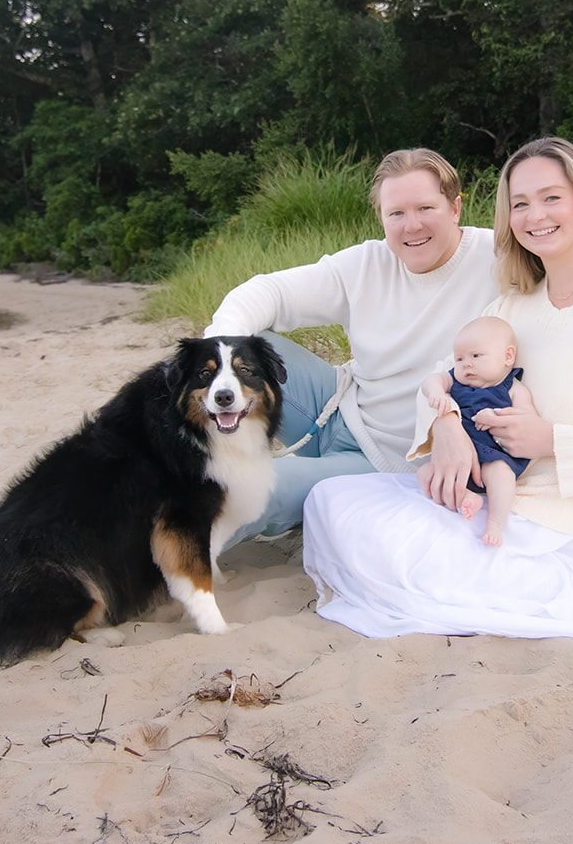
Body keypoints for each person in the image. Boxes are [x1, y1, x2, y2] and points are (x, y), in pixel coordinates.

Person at [303, 138, 573, 666]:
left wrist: (551, 440)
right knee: (331, 501)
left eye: (552, 198)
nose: (535, 215)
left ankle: (538, 583)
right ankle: (491, 569)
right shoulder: (512, 305)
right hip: (508, 503)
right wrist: (444, 423)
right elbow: (446, 378)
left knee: (391, 547)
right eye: (520, 203)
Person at [205, 148, 501, 550]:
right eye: (396, 213)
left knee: (246, 492)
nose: (411, 226)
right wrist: (220, 358)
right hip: (332, 407)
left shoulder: (498, 260)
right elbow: (269, 291)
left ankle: (132, 562)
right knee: (240, 353)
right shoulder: (368, 263)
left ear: (455, 208)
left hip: (382, 462)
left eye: (425, 207)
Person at [419, 316, 533, 546]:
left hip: (493, 454)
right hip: (456, 456)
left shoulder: (513, 388)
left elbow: (527, 420)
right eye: (459, 358)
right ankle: (465, 496)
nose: (465, 364)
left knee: (502, 475)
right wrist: (437, 393)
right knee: (424, 472)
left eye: (475, 356)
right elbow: (431, 380)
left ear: (507, 356)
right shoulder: (455, 380)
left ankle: (495, 524)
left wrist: (497, 417)